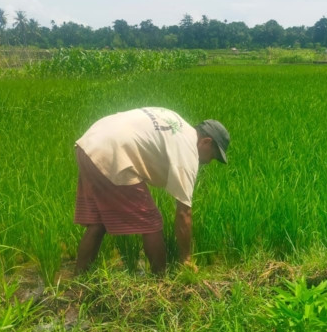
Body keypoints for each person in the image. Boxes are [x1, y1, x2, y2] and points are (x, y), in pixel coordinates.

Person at [73, 107, 229, 274]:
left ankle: (78, 279)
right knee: (152, 223)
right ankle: (160, 280)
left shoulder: (178, 123)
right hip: (113, 152)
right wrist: (186, 259)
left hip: (89, 144)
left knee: (98, 223)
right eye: (213, 155)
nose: (210, 161)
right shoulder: (187, 152)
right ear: (206, 142)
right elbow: (184, 213)